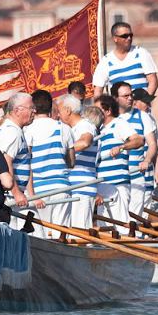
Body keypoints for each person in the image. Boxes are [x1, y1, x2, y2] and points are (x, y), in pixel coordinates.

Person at [23, 90, 75, 237]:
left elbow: (27, 163)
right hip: (61, 188)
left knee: (43, 234)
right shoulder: (64, 128)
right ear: (51, 106)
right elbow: (71, 162)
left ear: (33, 108)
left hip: (38, 190)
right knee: (61, 234)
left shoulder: (28, 130)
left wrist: (31, 194)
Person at [94, 94, 143, 231]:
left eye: (97, 110)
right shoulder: (98, 130)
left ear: (107, 111)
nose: (94, 113)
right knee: (105, 227)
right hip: (101, 186)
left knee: (121, 226)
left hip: (119, 185)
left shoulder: (119, 124)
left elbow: (139, 140)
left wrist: (121, 147)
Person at [112, 82, 158, 219]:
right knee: (118, 219)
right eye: (125, 96)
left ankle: (135, 237)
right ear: (115, 98)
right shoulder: (109, 118)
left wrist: (147, 160)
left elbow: (152, 144)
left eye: (130, 95)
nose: (130, 98)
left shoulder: (142, 116)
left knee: (133, 219)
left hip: (136, 174)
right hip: (116, 177)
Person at [0, 92, 37, 224]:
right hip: (11, 197)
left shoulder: (14, 130)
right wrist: (17, 193)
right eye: (31, 108)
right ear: (17, 110)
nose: (34, 111)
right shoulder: (11, 131)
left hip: (14, 195)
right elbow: (5, 163)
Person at [57, 95, 100, 229]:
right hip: (72, 186)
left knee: (80, 230)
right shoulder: (70, 129)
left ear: (68, 110)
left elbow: (85, 141)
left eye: (59, 111)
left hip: (82, 186)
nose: (57, 115)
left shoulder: (85, 125)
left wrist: (61, 152)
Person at [92, 22, 158, 97]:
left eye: (131, 35)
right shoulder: (106, 61)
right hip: (118, 108)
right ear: (115, 38)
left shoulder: (141, 53)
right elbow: (98, 91)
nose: (129, 38)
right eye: (125, 36)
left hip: (141, 107)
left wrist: (144, 102)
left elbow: (153, 82)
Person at [131, 87, 158, 204]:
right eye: (146, 102)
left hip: (147, 171)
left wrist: (157, 172)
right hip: (130, 172)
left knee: (145, 203)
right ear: (135, 102)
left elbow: (156, 149)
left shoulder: (149, 118)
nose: (149, 105)